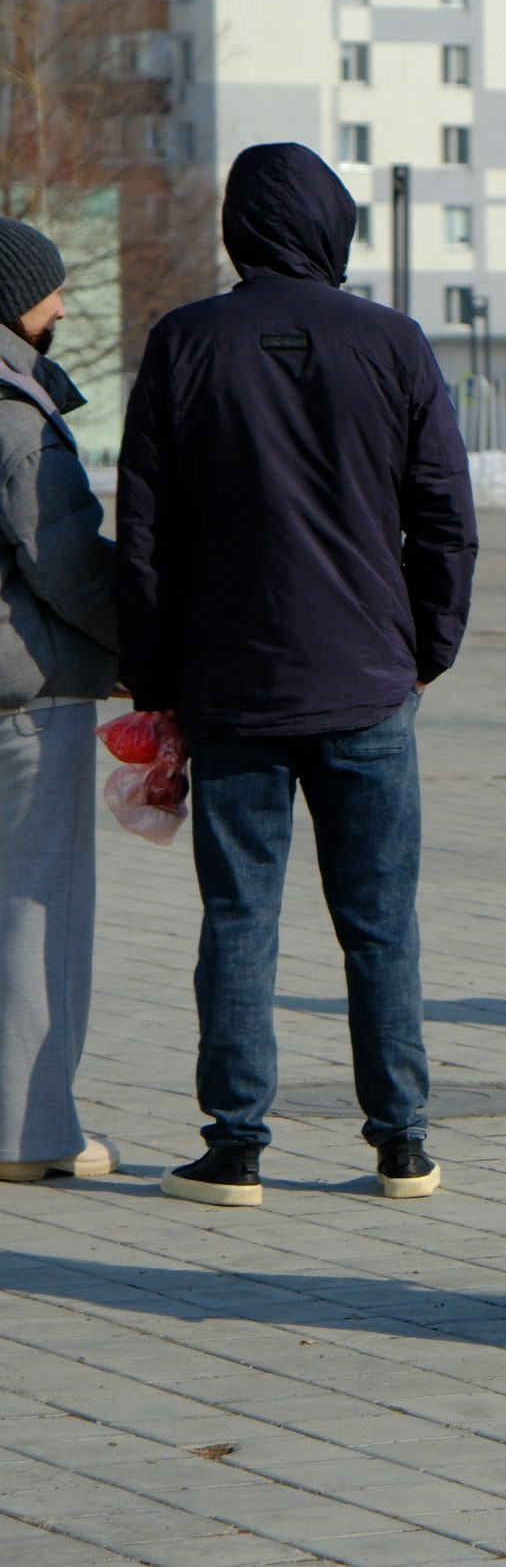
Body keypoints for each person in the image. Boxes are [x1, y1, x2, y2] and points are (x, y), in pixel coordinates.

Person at [119, 143, 477, 1211]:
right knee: (380, 923)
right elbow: (446, 521)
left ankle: (234, 1146)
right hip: (369, 684)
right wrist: (424, 651)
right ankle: (402, 1142)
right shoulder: (394, 342)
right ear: (335, 226)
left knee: (238, 917)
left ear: (237, 227)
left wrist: (153, 681)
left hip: (230, 690)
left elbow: (145, 534)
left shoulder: (184, 342)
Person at [0, 219, 120, 1185]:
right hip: (26, 700)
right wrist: (138, 643)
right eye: (51, 291)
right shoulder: (12, 410)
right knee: (40, 912)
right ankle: (33, 1132)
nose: (64, 307)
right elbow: (68, 560)